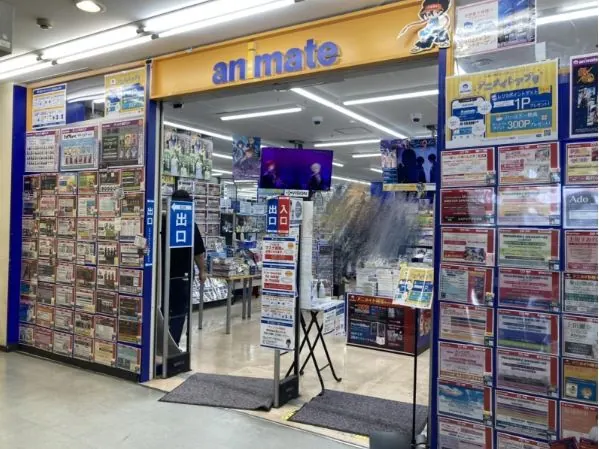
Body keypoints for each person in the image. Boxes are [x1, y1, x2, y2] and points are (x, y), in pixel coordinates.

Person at [161, 190, 207, 345]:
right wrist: (202, 271)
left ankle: (159, 345)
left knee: (162, 309)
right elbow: (199, 253)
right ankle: (172, 346)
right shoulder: (188, 224)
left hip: (161, 275)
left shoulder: (161, 222)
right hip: (182, 275)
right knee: (179, 312)